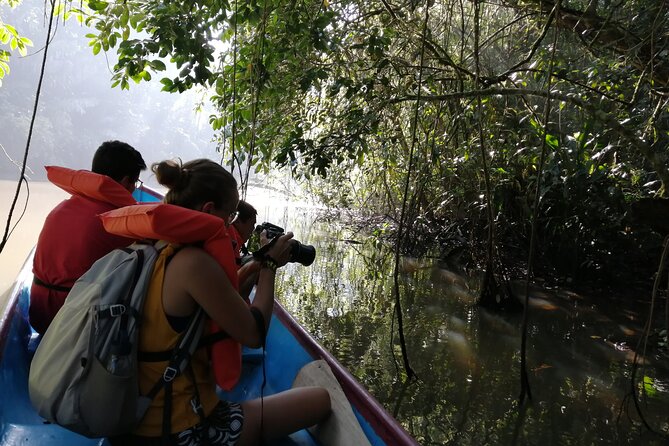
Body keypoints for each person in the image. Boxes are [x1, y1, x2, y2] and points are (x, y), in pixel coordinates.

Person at [110, 158, 331, 445]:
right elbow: (254, 333)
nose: (230, 227)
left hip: (129, 419)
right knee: (319, 400)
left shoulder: (153, 246)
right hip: (172, 431)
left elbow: (216, 302)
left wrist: (256, 262)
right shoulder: (194, 264)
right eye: (229, 217)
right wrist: (269, 267)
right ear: (209, 210)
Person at [29, 140, 146, 335]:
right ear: (126, 181)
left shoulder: (62, 208)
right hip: (71, 326)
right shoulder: (116, 222)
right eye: (135, 183)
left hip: (39, 314)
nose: (134, 188)